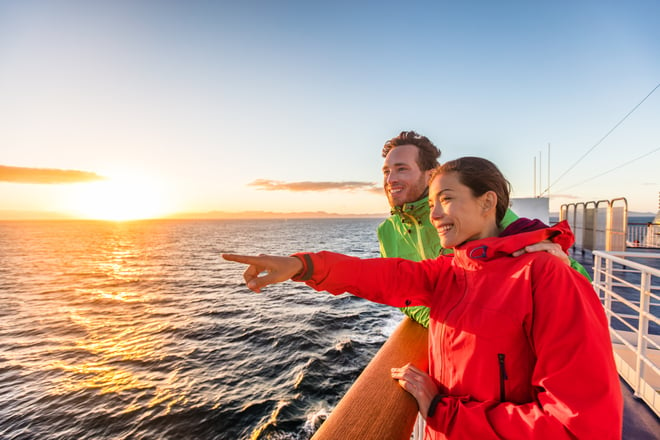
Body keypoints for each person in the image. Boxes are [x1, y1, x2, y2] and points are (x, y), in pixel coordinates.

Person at [223, 157, 622, 439]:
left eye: (446, 199)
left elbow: (580, 426)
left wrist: (440, 411)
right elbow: (382, 275)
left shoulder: (544, 274)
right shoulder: (452, 270)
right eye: (431, 204)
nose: (434, 215)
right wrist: (302, 265)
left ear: (488, 203)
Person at [378, 130, 590, 328]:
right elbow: (399, 291)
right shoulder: (387, 232)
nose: (390, 179)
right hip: (451, 341)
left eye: (401, 169)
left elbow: (571, 279)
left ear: (430, 175)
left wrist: (566, 268)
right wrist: (438, 322)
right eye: (386, 171)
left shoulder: (474, 211)